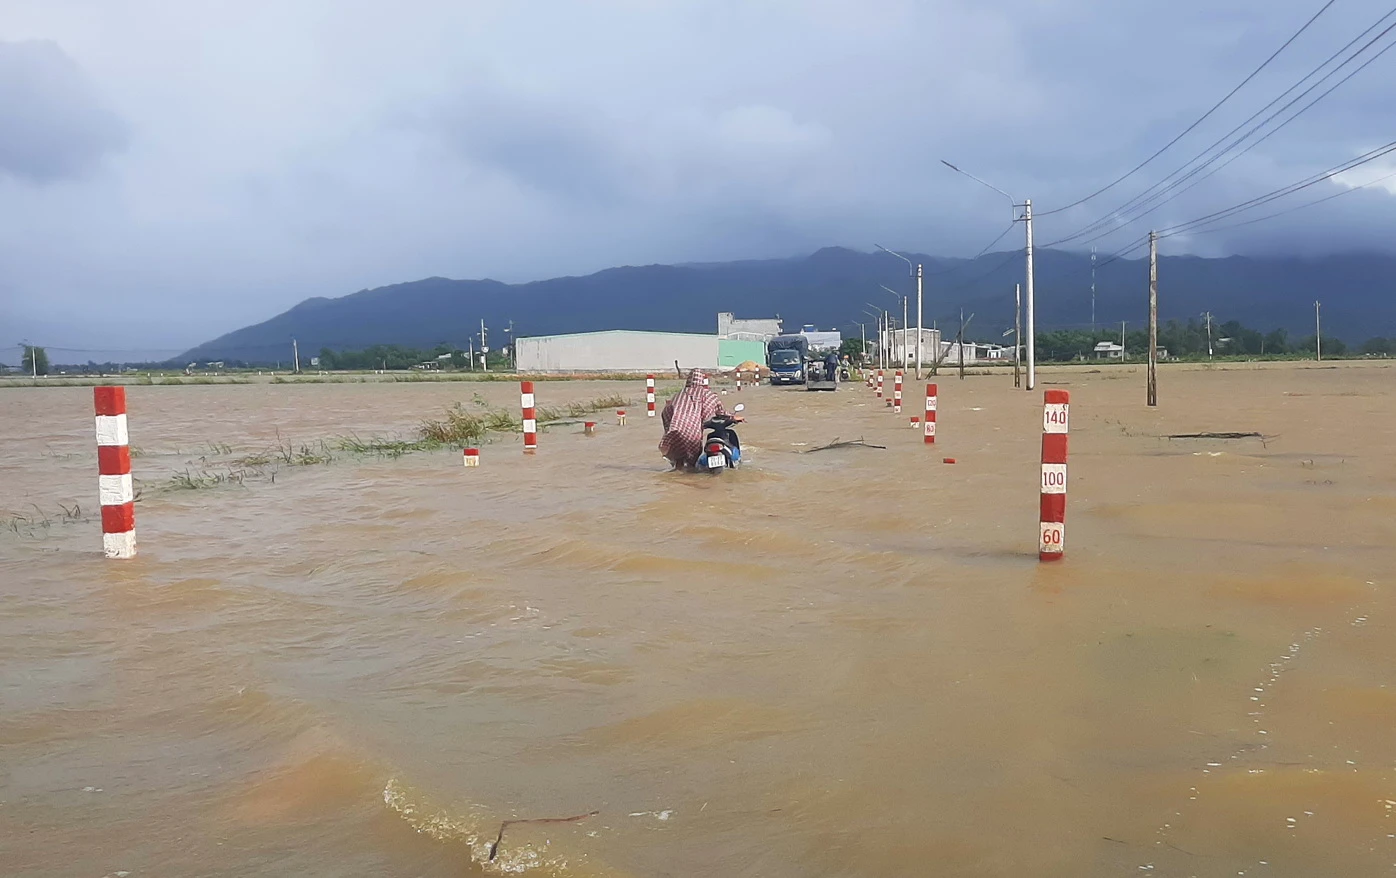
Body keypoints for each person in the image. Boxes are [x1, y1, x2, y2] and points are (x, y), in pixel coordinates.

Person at [659, 369, 736, 471]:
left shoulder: (678, 395)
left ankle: (678, 479)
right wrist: (732, 417)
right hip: (692, 432)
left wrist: (669, 428)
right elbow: (721, 412)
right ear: (702, 380)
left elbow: (666, 412)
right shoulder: (707, 394)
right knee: (693, 463)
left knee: (679, 461)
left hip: (674, 431)